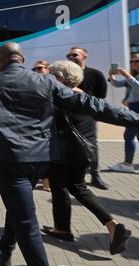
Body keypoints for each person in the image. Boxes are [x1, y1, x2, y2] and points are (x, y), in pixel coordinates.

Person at [0, 42, 139, 266]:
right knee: (19, 205)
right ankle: (5, 247)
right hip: (40, 160)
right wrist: (134, 118)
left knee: (27, 223)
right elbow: (92, 104)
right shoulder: (45, 82)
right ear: (21, 59)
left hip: (8, 162)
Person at [42, 60, 131, 255]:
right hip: (84, 152)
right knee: (78, 187)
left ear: (58, 78)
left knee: (60, 188)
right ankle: (112, 225)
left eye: (51, 76)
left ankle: (63, 229)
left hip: (64, 153)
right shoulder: (85, 97)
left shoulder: (63, 99)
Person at [67, 47, 109, 190]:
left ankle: (95, 175)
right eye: (69, 55)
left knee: (91, 145)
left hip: (87, 116)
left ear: (85, 56)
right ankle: (78, 177)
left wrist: (84, 96)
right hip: (69, 115)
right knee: (72, 145)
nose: (71, 57)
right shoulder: (66, 74)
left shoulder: (95, 74)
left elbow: (101, 96)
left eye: (75, 54)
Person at [108, 53, 139, 173]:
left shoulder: (132, 77)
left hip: (137, 107)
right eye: (132, 61)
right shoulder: (134, 76)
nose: (133, 63)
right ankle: (127, 162)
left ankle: (127, 164)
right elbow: (116, 84)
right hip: (133, 107)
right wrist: (111, 74)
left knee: (129, 135)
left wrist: (127, 75)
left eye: (136, 61)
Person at [32, 60, 51, 192]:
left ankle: (46, 183)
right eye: (35, 69)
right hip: (35, 125)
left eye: (40, 68)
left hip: (49, 125)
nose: (37, 71)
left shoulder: (52, 83)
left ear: (47, 69)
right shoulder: (32, 83)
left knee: (46, 159)